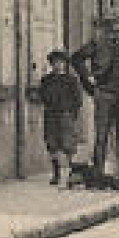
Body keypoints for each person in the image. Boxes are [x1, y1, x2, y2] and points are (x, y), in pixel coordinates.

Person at [69, 14, 119, 190]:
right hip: (105, 94)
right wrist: (88, 81)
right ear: (108, 30)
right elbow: (76, 58)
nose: (118, 33)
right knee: (102, 136)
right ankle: (98, 175)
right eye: (114, 29)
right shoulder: (97, 44)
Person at [37, 50, 83, 185]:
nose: (58, 65)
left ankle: (68, 173)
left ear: (65, 64)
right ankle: (56, 173)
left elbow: (78, 100)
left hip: (66, 115)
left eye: (61, 62)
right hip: (51, 115)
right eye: (55, 62)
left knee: (67, 145)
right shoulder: (46, 80)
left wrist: (71, 113)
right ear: (51, 64)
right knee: (52, 144)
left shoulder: (71, 80)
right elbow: (42, 96)